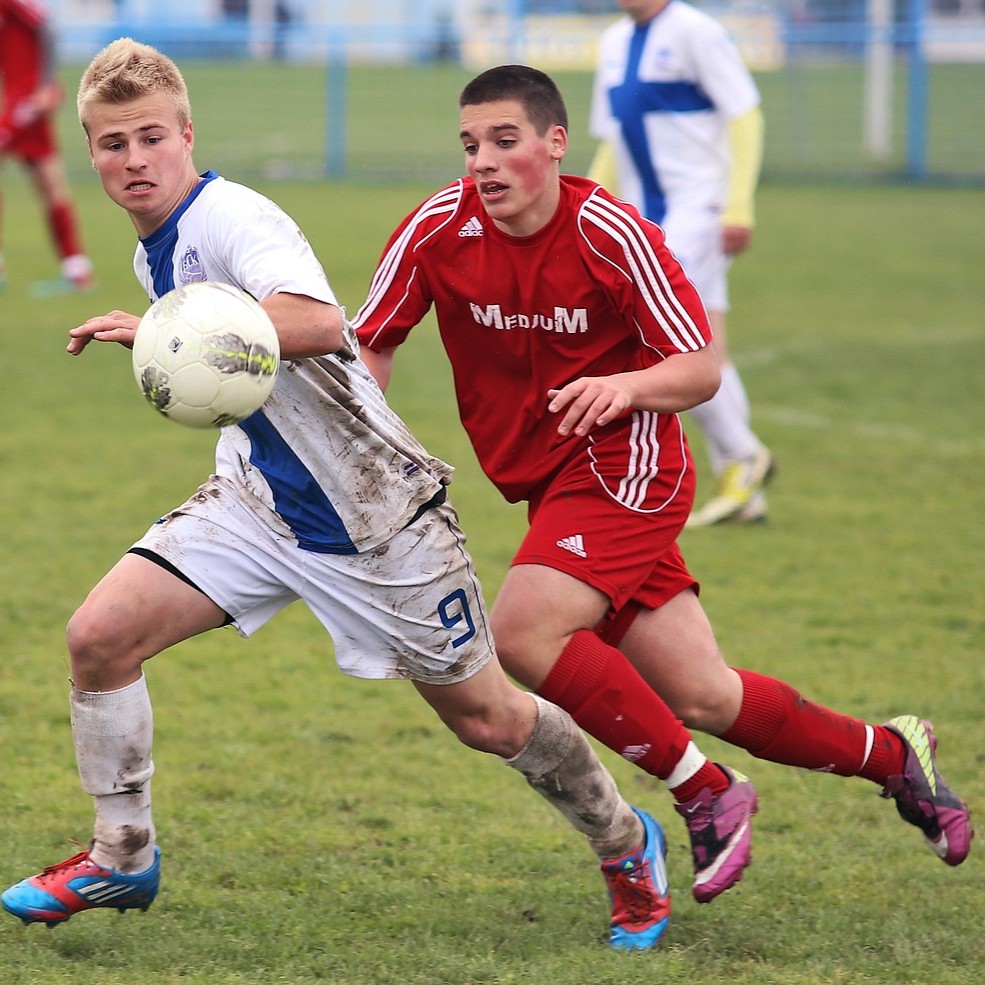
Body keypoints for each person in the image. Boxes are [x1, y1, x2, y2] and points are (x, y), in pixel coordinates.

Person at [0, 39, 673, 953]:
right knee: (98, 636)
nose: (133, 160)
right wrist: (169, 330)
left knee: (489, 717)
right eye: (112, 144)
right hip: (259, 504)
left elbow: (322, 322)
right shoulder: (153, 251)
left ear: (187, 133)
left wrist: (175, 328)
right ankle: (121, 851)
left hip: (378, 519)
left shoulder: (236, 218)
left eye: (150, 137)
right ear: (92, 153)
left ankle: (626, 840)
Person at [352, 65, 973, 902]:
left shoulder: (607, 231)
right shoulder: (438, 227)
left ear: (553, 144)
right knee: (703, 693)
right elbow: (372, 338)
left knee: (525, 632)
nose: (483, 163)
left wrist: (626, 387)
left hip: (627, 465)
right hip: (548, 484)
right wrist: (360, 442)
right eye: (470, 145)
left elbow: (701, 366)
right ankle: (896, 758)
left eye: (504, 141)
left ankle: (704, 791)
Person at [588, 0, 770, 527]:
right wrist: (591, 204)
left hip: (701, 211)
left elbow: (745, 116)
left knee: (658, 340)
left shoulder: (697, 32)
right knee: (704, 342)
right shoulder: (613, 42)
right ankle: (745, 485)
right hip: (650, 218)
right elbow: (615, 139)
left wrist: (737, 204)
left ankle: (743, 454)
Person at [0, 0, 92, 293]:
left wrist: (44, 85)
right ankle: (77, 269)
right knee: (49, 181)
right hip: (18, 98)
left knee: (50, 181)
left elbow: (47, 28)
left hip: (27, 100)